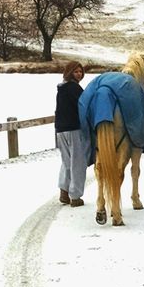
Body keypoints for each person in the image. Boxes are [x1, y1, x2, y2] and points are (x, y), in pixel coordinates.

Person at [55, 61, 88, 206]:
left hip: (60, 129)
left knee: (66, 161)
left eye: (80, 71)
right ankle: (75, 196)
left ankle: (64, 191)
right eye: (76, 72)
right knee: (78, 162)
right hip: (74, 128)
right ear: (69, 73)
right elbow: (85, 106)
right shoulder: (75, 88)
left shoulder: (62, 88)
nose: (79, 74)